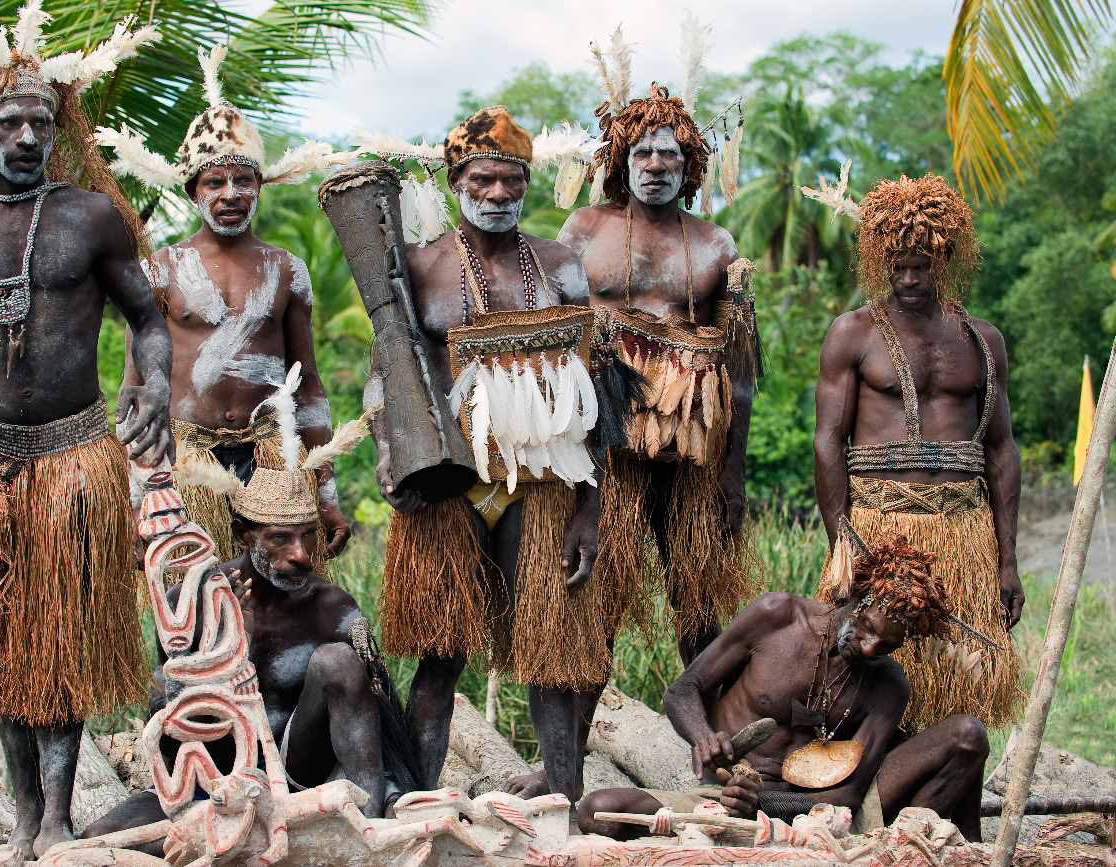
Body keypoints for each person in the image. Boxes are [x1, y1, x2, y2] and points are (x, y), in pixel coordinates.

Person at [0, 12, 168, 859]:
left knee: (63, 638)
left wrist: (154, 382)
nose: (24, 137)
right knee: (3, 640)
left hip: (76, 452)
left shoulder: (92, 217)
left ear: (59, 129)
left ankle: (56, 816)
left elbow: (149, 320)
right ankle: (25, 815)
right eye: (7, 123)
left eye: (39, 123)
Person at [361, 106, 603, 808]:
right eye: (483, 178)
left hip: (544, 481)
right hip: (451, 480)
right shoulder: (419, 266)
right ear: (455, 178)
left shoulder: (559, 265)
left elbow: (594, 394)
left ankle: (564, 805)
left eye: (511, 181)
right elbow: (387, 373)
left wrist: (591, 506)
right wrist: (388, 452)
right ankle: (417, 805)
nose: (498, 194)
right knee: (441, 655)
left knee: (553, 655)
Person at [84, 392, 411, 851]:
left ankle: (368, 829)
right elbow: (164, 719)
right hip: (213, 784)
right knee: (100, 840)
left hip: (298, 780)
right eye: (280, 539)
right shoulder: (189, 601)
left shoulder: (333, 607)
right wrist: (227, 649)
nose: (300, 555)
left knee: (339, 662)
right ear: (243, 533)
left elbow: (379, 717)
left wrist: (391, 797)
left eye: (307, 537)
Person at [100, 44, 351, 564]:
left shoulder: (287, 269)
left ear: (261, 185)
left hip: (272, 454)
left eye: (243, 179)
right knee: (190, 595)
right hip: (186, 456)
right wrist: (135, 492)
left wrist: (326, 493)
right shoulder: (162, 269)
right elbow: (134, 383)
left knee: (277, 598)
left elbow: (309, 386)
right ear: (194, 190)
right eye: (215, 181)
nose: (230, 192)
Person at [578, 534, 992, 842]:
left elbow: (848, 794)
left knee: (968, 735)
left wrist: (765, 805)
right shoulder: (777, 616)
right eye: (868, 629)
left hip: (819, 812)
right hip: (723, 797)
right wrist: (704, 739)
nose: (869, 648)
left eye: (887, 644)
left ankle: (900, 848)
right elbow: (683, 690)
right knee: (600, 811)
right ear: (858, 595)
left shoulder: (888, 685)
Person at [559, 81, 760, 667]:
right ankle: (568, 759)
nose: (655, 165)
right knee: (594, 600)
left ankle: (716, 746)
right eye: (643, 152)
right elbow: (557, 330)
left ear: (689, 163)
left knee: (696, 603)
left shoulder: (715, 244)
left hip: (692, 447)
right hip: (604, 440)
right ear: (621, 160)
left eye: (669, 153)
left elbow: (740, 373)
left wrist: (734, 472)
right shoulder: (585, 229)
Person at [813, 173, 1023, 732]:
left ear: (945, 259)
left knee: (962, 678)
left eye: (922, 265)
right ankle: (871, 797)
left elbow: (1001, 452)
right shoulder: (852, 334)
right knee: (870, 674)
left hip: (965, 534)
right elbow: (828, 441)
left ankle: (953, 803)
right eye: (898, 265)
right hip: (878, 533)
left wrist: (1007, 560)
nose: (909, 278)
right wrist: (842, 544)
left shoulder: (984, 341)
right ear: (882, 260)